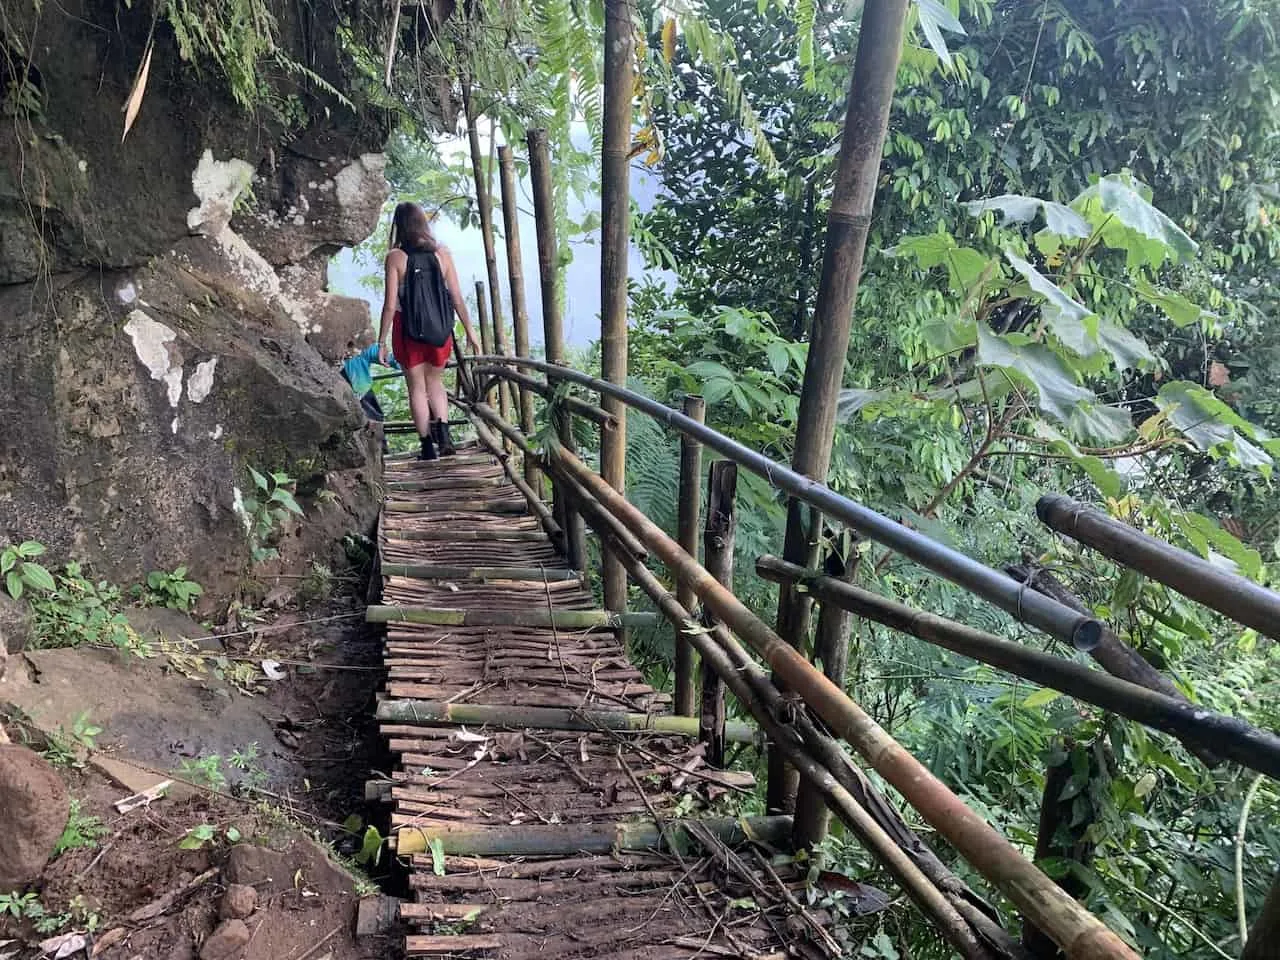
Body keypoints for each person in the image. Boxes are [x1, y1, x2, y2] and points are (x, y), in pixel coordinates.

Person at [377, 202, 481, 460]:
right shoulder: (443, 254)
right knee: (435, 383)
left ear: (398, 226)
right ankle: (444, 438)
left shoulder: (395, 257)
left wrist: (381, 341)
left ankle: (426, 446)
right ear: (423, 223)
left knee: (416, 388)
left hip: (407, 331)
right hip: (440, 331)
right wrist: (470, 331)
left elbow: (390, 305)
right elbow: (456, 297)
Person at [340, 340, 398, 453]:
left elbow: (387, 356)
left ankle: (379, 452)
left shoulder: (361, 348)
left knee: (372, 422)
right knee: (373, 421)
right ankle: (380, 452)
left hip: (359, 392)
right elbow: (389, 358)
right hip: (361, 392)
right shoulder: (361, 347)